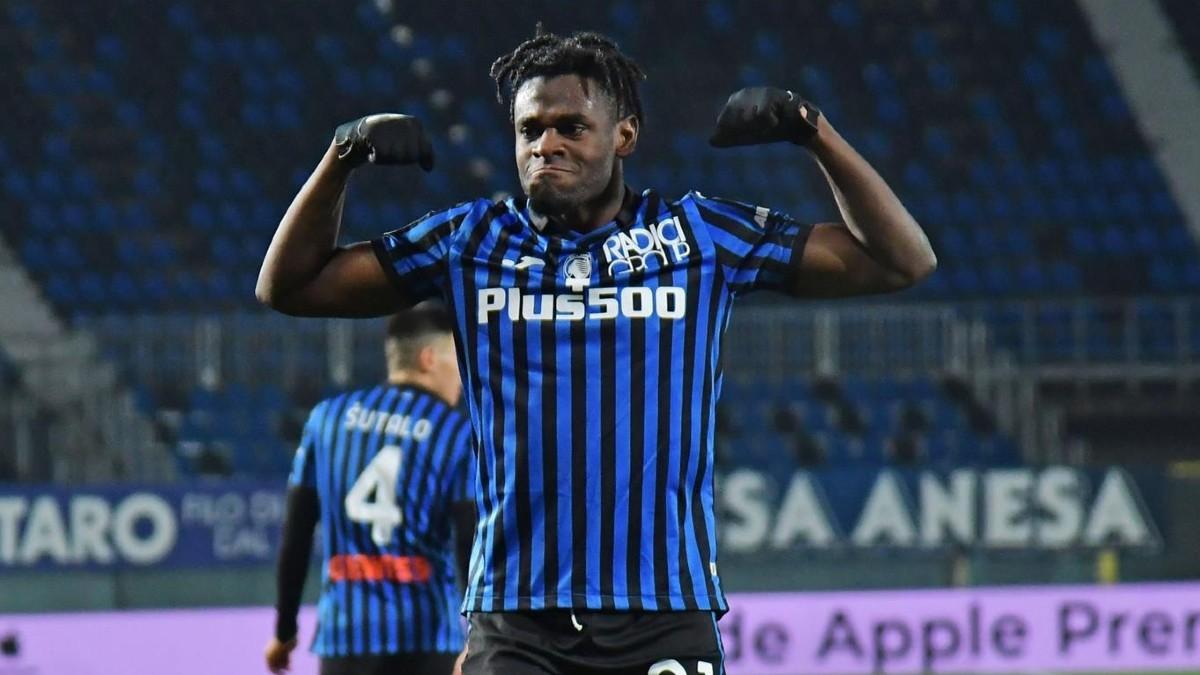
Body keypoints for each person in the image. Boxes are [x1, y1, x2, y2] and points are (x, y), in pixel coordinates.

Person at [257, 26, 936, 675]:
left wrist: (814, 133)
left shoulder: (698, 236)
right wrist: (339, 160)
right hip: (515, 617)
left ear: (625, 135)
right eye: (529, 130)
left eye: (570, 127)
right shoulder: (471, 241)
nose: (545, 144)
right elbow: (288, 285)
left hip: (663, 609)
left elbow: (900, 260)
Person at [264, 303, 476, 675]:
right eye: (456, 363)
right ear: (428, 359)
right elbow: (469, 543)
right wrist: (477, 640)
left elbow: (295, 534)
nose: (462, 379)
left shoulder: (325, 420)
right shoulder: (455, 434)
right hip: (428, 639)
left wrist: (284, 632)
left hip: (346, 638)